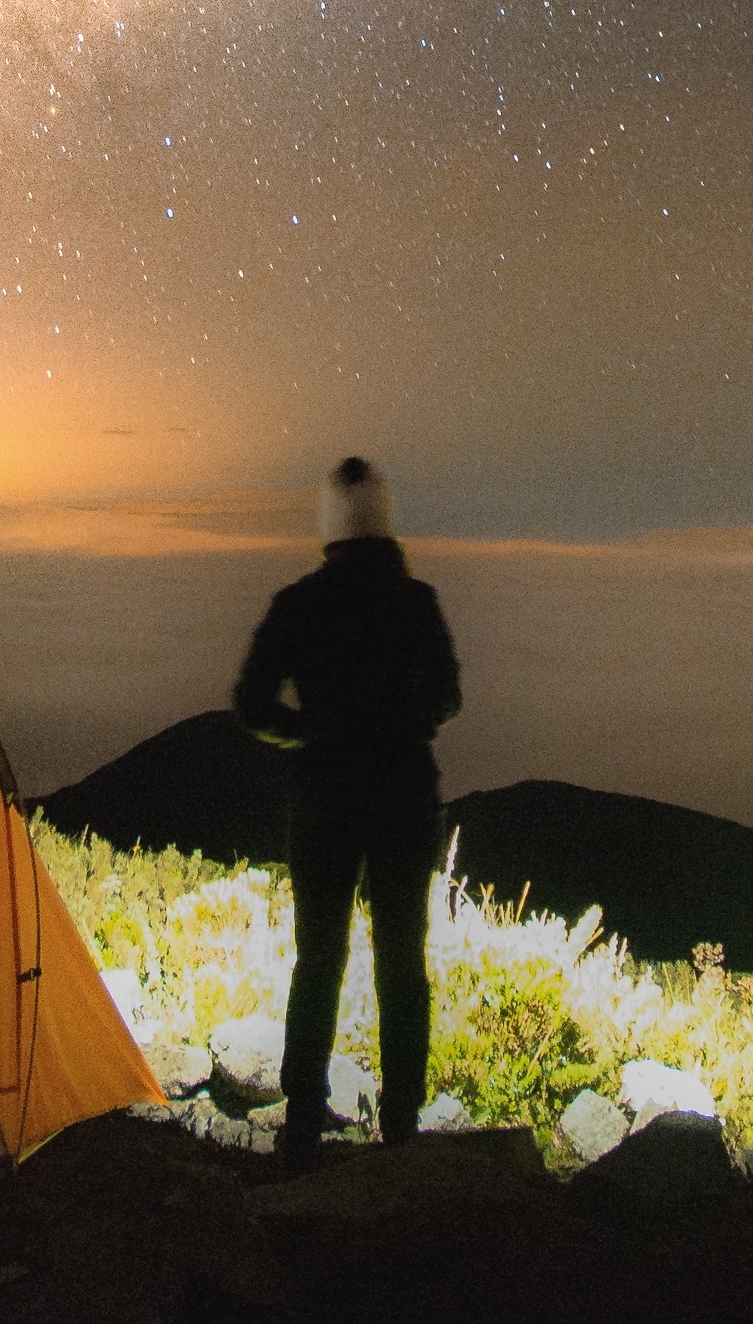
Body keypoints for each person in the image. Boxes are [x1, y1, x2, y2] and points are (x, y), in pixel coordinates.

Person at [231, 454, 461, 1167]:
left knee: (319, 958)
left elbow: (251, 702)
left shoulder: (298, 603)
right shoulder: (417, 603)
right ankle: (401, 1125)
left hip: (324, 795)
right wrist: (404, 722)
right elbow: (447, 698)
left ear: (329, 524)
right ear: (385, 521)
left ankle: (302, 1123)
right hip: (403, 792)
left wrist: (306, 732)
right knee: (402, 959)